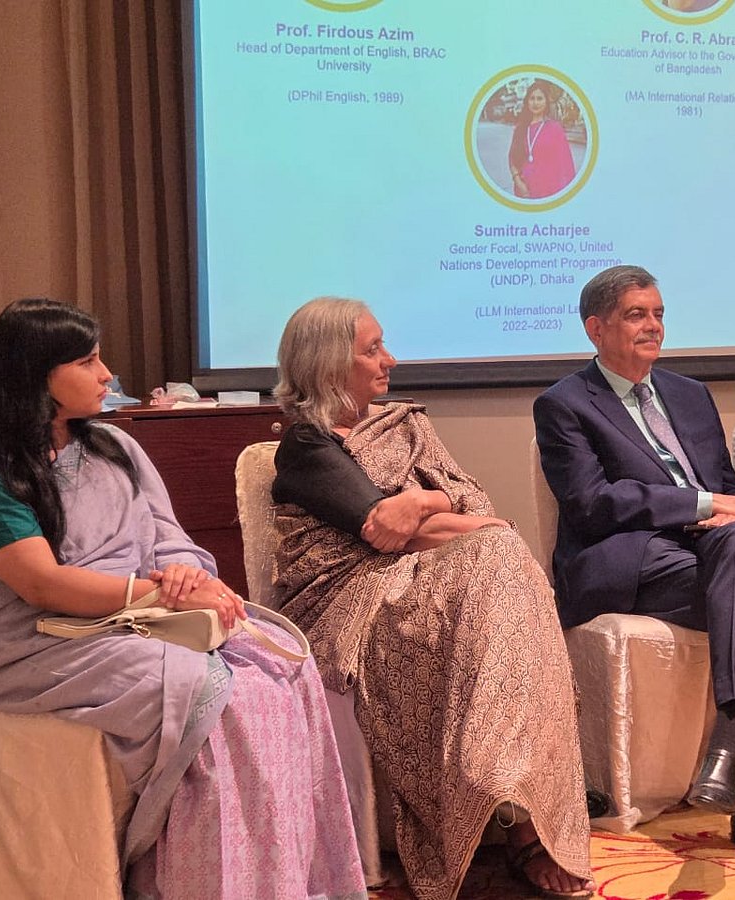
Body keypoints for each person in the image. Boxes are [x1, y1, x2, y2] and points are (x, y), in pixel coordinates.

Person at [0, 298, 366, 898]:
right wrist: (158, 595)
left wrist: (190, 578)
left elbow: (169, 539)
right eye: (89, 361)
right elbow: (42, 585)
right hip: (43, 641)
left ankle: (285, 881)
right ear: (37, 374)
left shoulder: (117, 448)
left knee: (283, 667)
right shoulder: (2, 469)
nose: (108, 373)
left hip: (140, 617)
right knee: (216, 695)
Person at [270, 297, 593, 900]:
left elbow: (466, 506)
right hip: (351, 602)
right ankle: (516, 816)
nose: (389, 360)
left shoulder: (408, 426)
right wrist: (440, 510)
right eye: (372, 349)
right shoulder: (306, 446)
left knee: (500, 558)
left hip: (433, 584)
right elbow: (380, 531)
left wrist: (423, 501)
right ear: (327, 362)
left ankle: (502, 787)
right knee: (501, 553)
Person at [533, 265, 735, 867]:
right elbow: (591, 503)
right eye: (635, 315)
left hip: (708, 554)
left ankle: (732, 747)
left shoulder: (689, 394)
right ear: (596, 329)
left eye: (658, 313)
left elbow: (728, 487)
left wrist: (731, 510)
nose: (653, 326)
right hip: (626, 559)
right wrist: (702, 505)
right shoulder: (565, 404)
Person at [507, 80, 577, 200]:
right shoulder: (520, 129)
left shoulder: (555, 128)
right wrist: (518, 182)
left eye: (540, 99)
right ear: (527, 102)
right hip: (524, 191)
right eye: (532, 98)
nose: (535, 103)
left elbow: (566, 165)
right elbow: (512, 158)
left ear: (546, 102)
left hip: (550, 191)